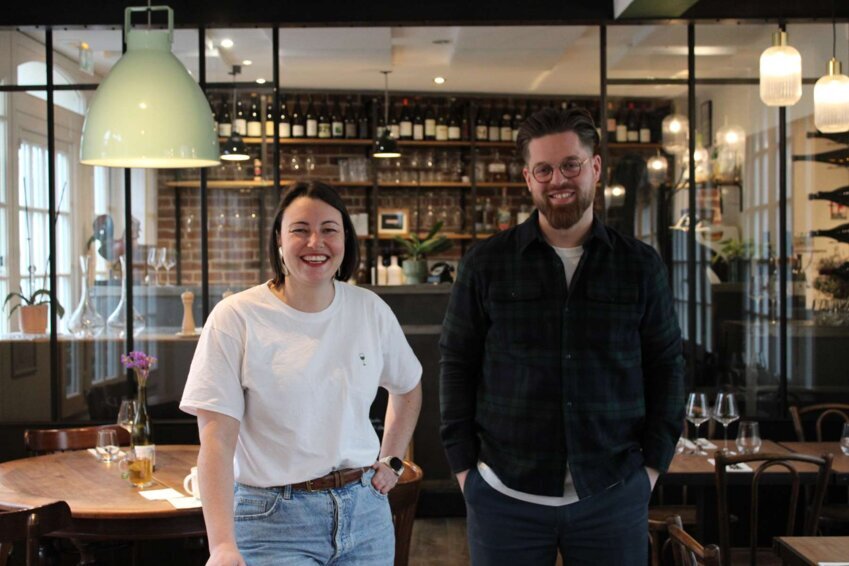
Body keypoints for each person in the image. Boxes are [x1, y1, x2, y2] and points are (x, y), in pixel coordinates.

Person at [439, 107, 684, 565]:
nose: (559, 179)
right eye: (544, 169)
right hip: (503, 495)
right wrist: (464, 471)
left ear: (594, 167)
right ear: (529, 178)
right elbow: (457, 363)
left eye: (570, 164)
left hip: (612, 493)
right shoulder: (486, 263)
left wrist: (651, 470)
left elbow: (667, 366)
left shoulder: (640, 265)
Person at [181, 181, 423, 566]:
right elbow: (216, 443)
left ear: (345, 239)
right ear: (278, 238)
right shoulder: (237, 317)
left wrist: (392, 460)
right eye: (300, 229)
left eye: (329, 229)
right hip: (272, 521)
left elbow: (408, 387)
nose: (316, 242)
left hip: (365, 514)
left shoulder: (369, 310)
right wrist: (222, 544)